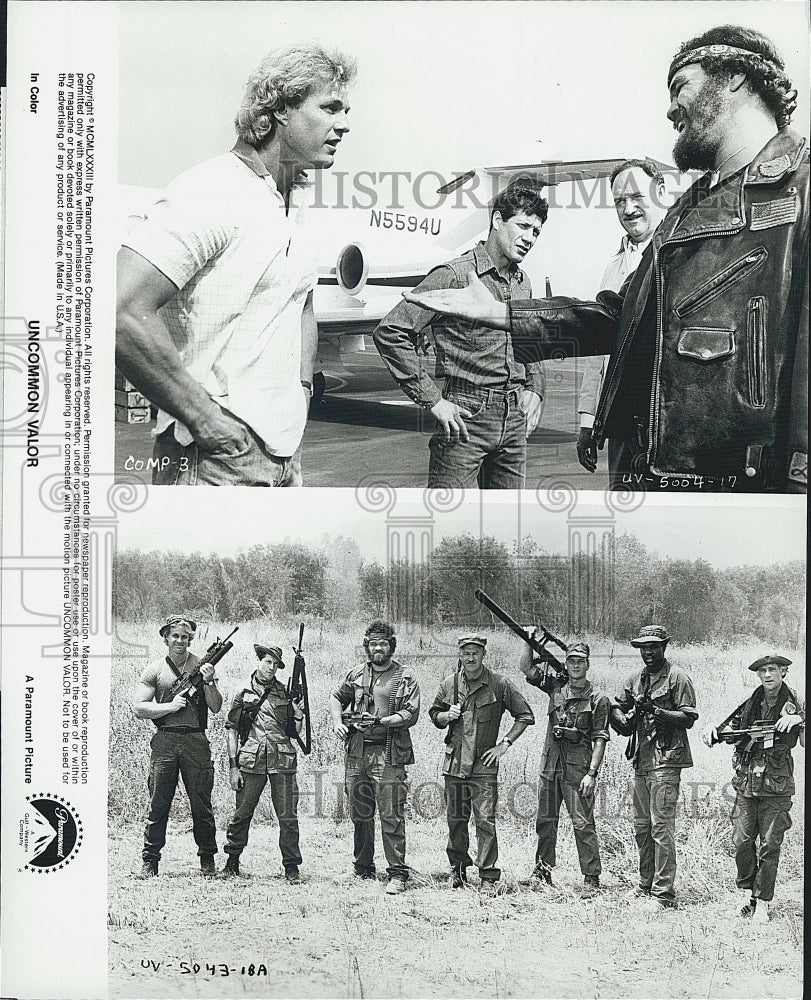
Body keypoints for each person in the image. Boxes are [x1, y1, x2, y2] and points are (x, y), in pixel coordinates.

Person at [405, 25, 807, 493]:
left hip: (741, 493)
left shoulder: (802, 194)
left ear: (735, 78)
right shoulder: (688, 210)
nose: (672, 108)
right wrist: (503, 313)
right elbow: (620, 318)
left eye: (682, 87)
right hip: (652, 478)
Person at [116, 44, 356, 486]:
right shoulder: (211, 190)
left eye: (345, 110)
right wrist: (208, 423)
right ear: (280, 109)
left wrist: (301, 392)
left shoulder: (297, 203)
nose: (344, 124)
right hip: (210, 457)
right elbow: (122, 310)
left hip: (285, 454)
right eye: (330, 108)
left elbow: (301, 304)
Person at [373, 184, 548, 488]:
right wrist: (434, 401)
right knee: (448, 522)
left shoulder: (524, 283)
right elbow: (392, 331)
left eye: (536, 231)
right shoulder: (454, 275)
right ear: (496, 221)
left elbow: (530, 340)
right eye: (522, 225)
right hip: (466, 416)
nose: (529, 238)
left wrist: (536, 387)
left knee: (507, 524)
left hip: (515, 418)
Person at [577, 160, 668, 475]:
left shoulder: (683, 253)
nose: (628, 209)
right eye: (619, 202)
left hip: (667, 423)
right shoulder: (613, 268)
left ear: (660, 191)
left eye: (636, 197)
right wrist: (588, 421)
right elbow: (597, 350)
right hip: (621, 426)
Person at [702, 654, 805, 924]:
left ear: (783, 672)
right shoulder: (752, 702)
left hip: (777, 786)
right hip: (747, 784)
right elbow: (730, 729)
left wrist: (800, 721)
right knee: (742, 842)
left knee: (770, 845)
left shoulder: (797, 703)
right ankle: (747, 893)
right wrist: (712, 729)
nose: (768, 675)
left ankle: (762, 903)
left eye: (773, 670)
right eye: (762, 671)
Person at [429, 635, 534, 894]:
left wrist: (504, 745)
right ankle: (458, 869)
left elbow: (525, 715)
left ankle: (488, 876)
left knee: (485, 821)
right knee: (456, 819)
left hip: (483, 766)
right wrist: (445, 715)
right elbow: (434, 714)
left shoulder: (499, 684)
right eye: (466, 653)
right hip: (454, 764)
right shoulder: (449, 684)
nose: (471, 658)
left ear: (483, 654)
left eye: (476, 652)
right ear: (459, 655)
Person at [610, 625, 698, 910]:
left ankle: (664, 895)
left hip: (667, 760)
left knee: (662, 828)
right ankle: (644, 885)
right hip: (642, 760)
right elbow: (617, 706)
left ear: (664, 647)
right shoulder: (635, 679)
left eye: (654, 647)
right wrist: (620, 718)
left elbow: (688, 717)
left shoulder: (677, 677)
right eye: (644, 648)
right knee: (641, 827)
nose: (648, 652)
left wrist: (657, 712)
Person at [330, 620, 420, 895]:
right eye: (373, 644)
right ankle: (362, 867)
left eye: (383, 643)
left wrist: (382, 721)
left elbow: (410, 714)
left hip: (388, 753)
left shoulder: (405, 676)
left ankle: (397, 873)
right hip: (357, 753)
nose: (378, 648)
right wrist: (338, 721)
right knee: (360, 812)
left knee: (391, 814)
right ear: (367, 647)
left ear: (391, 645)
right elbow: (336, 696)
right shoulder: (357, 674)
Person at [133, 615, 223, 877]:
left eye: (185, 637)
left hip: (196, 740)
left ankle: (207, 860)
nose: (180, 641)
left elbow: (216, 706)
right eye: (175, 636)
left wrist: (208, 681)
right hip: (165, 740)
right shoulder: (155, 669)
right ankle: (150, 861)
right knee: (158, 803)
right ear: (166, 638)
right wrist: (169, 707)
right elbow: (140, 707)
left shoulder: (202, 665)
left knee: (201, 803)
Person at [519, 638, 609, 897]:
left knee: (582, 823)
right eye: (571, 660)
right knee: (545, 821)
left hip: (578, 770)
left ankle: (591, 878)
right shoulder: (555, 687)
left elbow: (600, 738)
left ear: (588, 664)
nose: (576, 665)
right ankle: (542, 871)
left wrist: (592, 774)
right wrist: (528, 638)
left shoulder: (598, 699)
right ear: (566, 663)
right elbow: (526, 667)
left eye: (581, 661)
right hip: (550, 766)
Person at [222, 643, 304, 882]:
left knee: (288, 816)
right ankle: (232, 862)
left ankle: (291, 867)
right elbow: (232, 730)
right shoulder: (242, 692)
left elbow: (294, 732)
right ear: (259, 661)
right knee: (242, 814)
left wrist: (298, 711)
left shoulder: (285, 693)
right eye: (268, 662)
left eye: (276, 664)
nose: (271, 667)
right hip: (250, 761)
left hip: (282, 759)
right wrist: (232, 766)